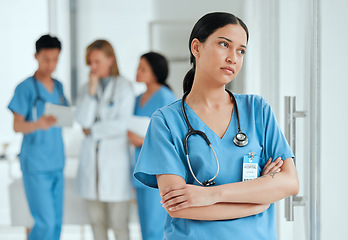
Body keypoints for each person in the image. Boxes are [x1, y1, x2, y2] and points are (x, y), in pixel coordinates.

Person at [134, 12, 299, 240]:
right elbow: (178, 206)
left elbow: (289, 182)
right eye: (224, 44)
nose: (233, 57)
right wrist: (258, 202)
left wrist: (211, 195)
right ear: (196, 48)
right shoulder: (166, 121)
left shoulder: (257, 110)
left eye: (241, 50)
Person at [8, 34, 69, 240]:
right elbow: (17, 125)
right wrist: (38, 124)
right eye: (46, 59)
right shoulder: (25, 88)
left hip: (56, 162)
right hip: (35, 164)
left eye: (55, 59)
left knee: (57, 224)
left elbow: (66, 114)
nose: (51, 64)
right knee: (45, 222)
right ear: (36, 56)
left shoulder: (59, 86)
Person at [75, 39, 134, 240]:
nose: (93, 67)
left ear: (110, 59)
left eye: (97, 61)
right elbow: (82, 121)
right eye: (90, 62)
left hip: (115, 164)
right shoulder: (86, 88)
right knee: (96, 224)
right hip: (92, 166)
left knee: (119, 225)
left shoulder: (124, 87)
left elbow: (122, 124)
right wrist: (91, 94)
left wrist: (93, 130)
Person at [128, 52, 177, 240]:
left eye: (143, 68)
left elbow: (171, 135)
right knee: (145, 228)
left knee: (156, 230)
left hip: (158, 172)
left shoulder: (165, 96)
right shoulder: (137, 98)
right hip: (140, 170)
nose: (137, 71)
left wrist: (141, 141)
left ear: (155, 72)